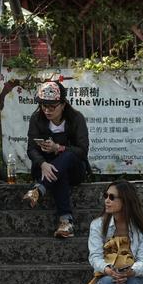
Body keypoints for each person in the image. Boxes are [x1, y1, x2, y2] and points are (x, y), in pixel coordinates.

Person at [22, 80, 89, 239]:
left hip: (74, 169)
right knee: (59, 172)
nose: (47, 110)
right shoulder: (37, 119)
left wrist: (58, 148)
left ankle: (39, 190)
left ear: (63, 104)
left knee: (66, 156)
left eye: (52, 106)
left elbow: (82, 150)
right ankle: (66, 222)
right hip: (45, 169)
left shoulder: (76, 118)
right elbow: (31, 148)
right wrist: (43, 163)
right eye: (43, 106)